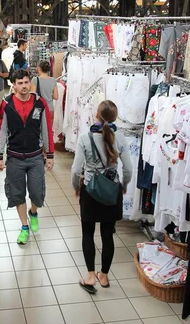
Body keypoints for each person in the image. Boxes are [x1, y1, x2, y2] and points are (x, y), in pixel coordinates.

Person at [70, 100, 133, 294]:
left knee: (88, 233)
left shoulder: (84, 138)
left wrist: (76, 187)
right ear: (115, 117)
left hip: (90, 191)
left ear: (96, 114)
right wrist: (123, 185)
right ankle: (104, 275)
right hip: (111, 192)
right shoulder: (120, 138)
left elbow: (75, 170)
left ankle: (90, 276)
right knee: (108, 235)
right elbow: (129, 169)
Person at [0, 69, 54, 245]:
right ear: (13, 84)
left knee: (37, 194)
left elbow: (46, 130)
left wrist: (49, 154)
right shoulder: (6, 104)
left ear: (31, 83)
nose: (23, 86)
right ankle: (24, 227)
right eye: (19, 83)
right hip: (14, 158)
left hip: (35, 157)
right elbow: (1, 130)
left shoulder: (40, 103)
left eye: (26, 82)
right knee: (17, 194)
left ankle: (33, 212)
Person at [30, 60, 58, 124]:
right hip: (50, 108)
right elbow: (56, 97)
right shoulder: (53, 80)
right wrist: (48, 94)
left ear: (39, 68)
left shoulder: (35, 80)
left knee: (37, 128)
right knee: (49, 129)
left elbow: (32, 96)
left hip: (38, 108)